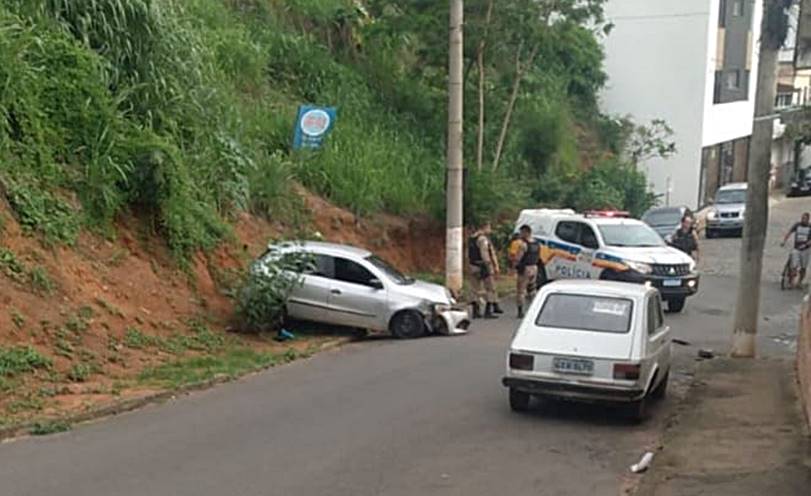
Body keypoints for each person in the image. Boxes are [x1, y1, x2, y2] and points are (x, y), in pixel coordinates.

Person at [468, 222, 503, 319]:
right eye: (489, 227)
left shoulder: (472, 238)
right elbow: (485, 255)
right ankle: (488, 311)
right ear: (485, 227)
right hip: (483, 266)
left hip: (473, 265)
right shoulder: (483, 239)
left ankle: (475, 311)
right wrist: (489, 266)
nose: (490, 230)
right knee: (490, 288)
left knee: (474, 289)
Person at [514, 224, 540, 318]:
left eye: (521, 232)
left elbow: (518, 258)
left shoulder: (523, 245)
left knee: (521, 290)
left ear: (526, 232)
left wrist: (515, 266)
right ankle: (535, 309)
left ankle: (520, 311)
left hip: (525, 269)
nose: (520, 234)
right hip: (534, 267)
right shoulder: (536, 243)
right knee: (532, 289)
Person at [781, 212, 811, 287]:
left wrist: (808, 243)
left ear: (808, 219)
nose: (803, 220)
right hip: (796, 248)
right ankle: (791, 281)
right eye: (802, 218)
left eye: (805, 218)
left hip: (805, 249)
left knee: (803, 267)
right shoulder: (797, 225)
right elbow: (789, 232)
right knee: (794, 265)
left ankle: (799, 282)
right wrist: (784, 241)